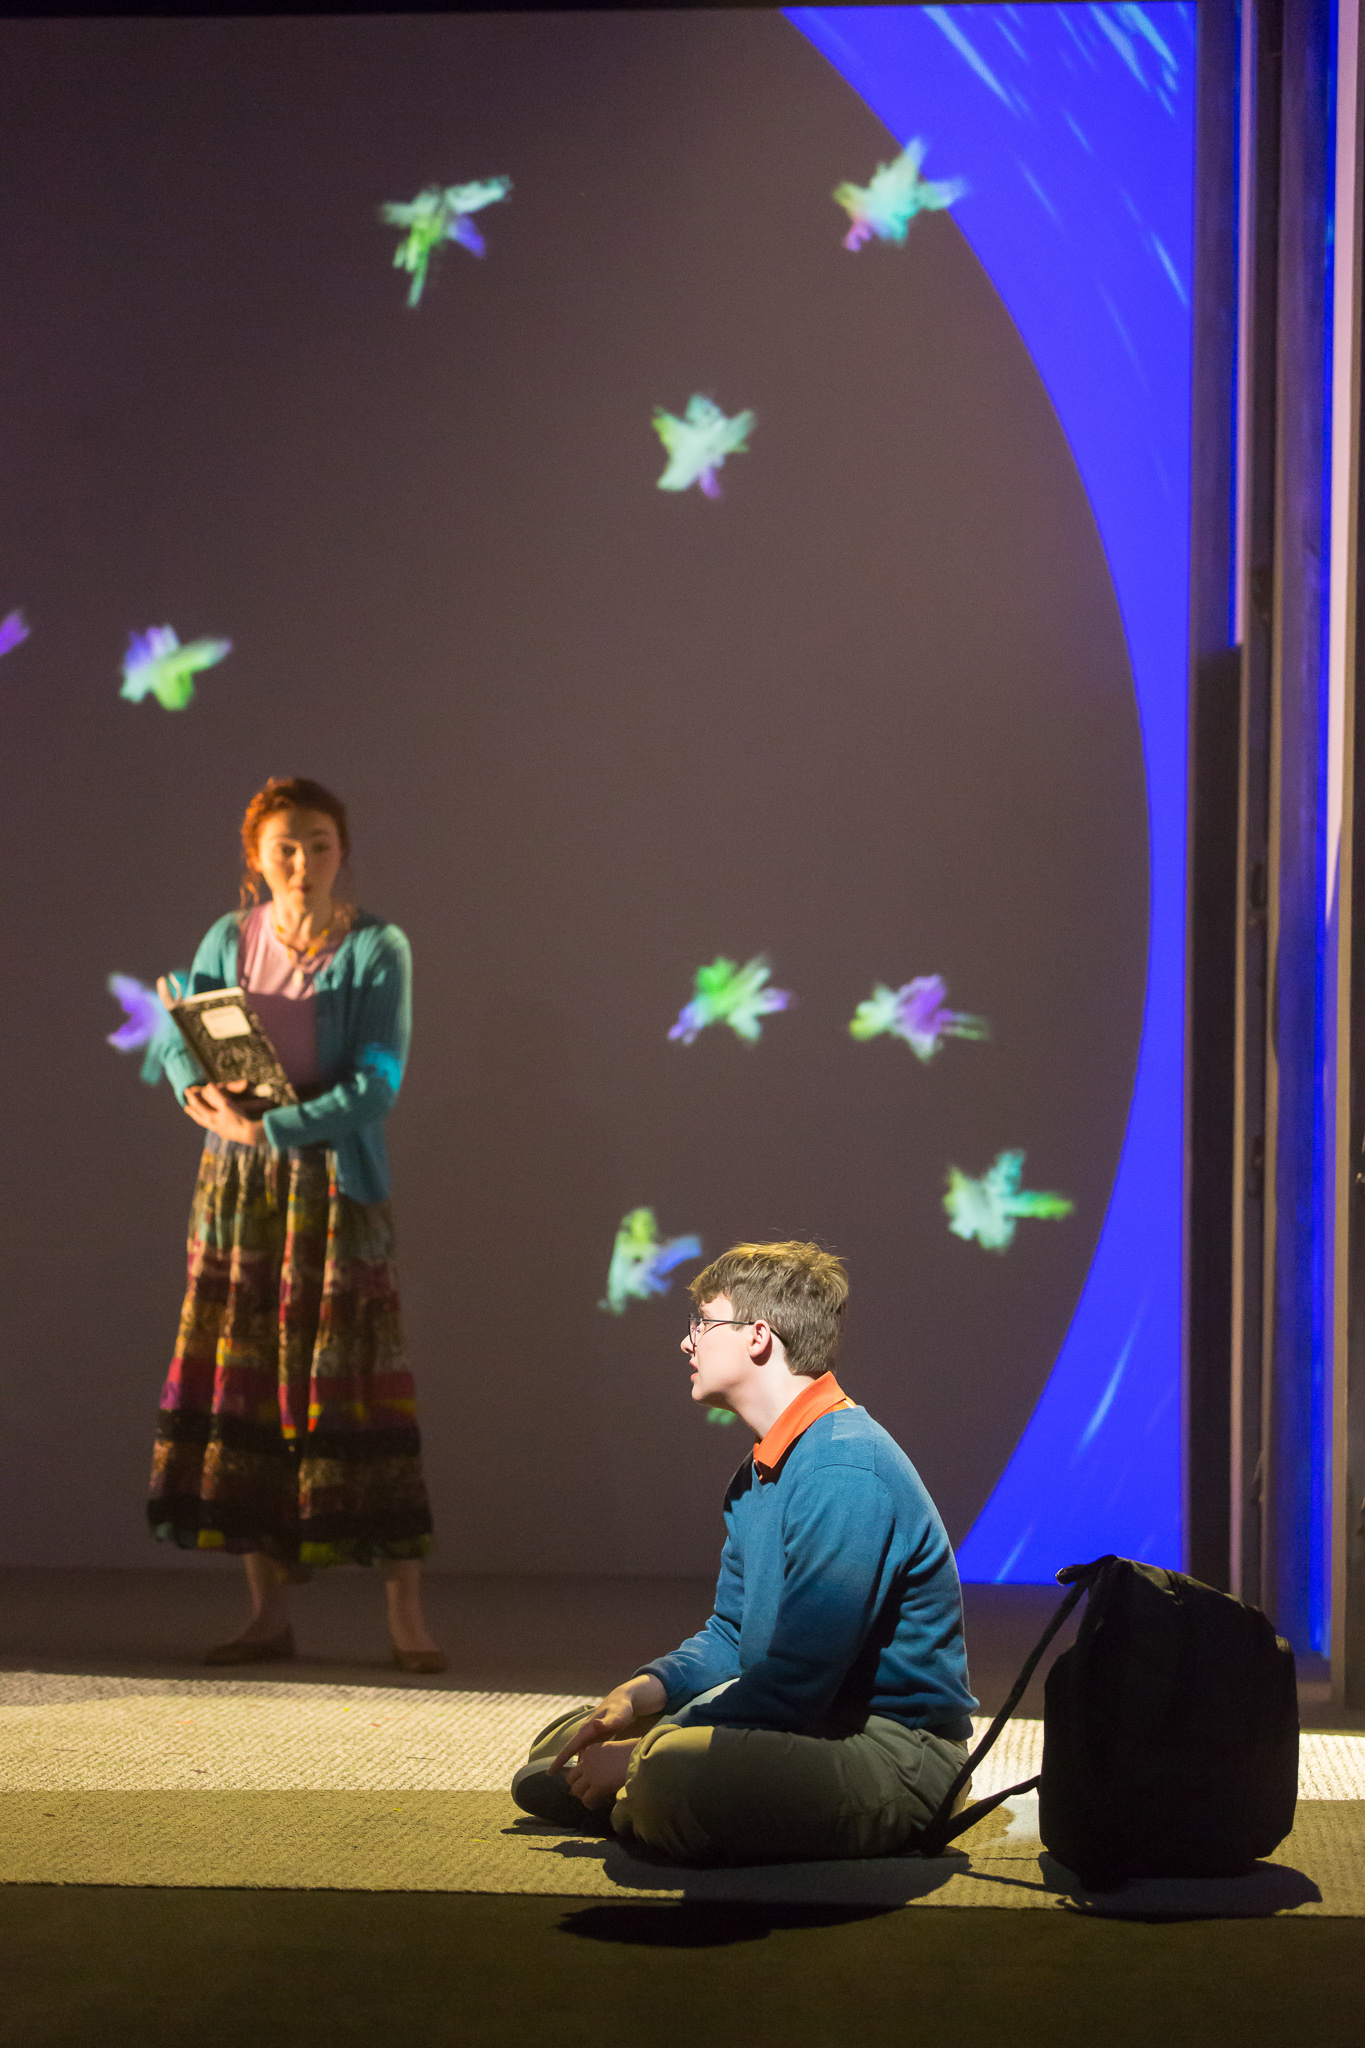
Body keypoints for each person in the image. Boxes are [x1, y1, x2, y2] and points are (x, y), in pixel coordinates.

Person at [511, 1241, 978, 1864]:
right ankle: (636, 1788)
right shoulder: (762, 1469)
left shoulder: (844, 1470)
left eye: (702, 1324)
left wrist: (641, 1754)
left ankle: (641, 1796)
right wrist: (642, 1692)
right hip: (806, 1721)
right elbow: (732, 1635)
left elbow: (799, 1682)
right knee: (571, 1742)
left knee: (671, 1774)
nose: (687, 1343)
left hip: (891, 1749)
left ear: (758, 1336)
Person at [148, 775, 442, 1672]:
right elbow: (176, 1034)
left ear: (341, 852)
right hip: (239, 1189)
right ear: (256, 856)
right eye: (285, 846)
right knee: (248, 1379)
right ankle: (266, 1612)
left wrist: (272, 1127)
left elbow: (378, 1080)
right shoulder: (227, 937)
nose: (303, 862)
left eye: (318, 844)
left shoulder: (376, 946)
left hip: (332, 1185)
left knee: (352, 1378)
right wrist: (196, 1089)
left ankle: (404, 1614)